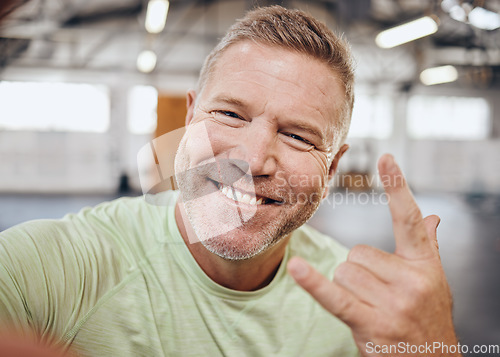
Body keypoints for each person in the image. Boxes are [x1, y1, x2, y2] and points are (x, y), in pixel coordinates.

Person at [0, 5, 460, 356]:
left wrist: (436, 347)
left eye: (298, 136)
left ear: (333, 168)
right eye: (229, 114)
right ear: (190, 116)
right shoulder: (55, 268)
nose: (254, 159)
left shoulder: (366, 310)